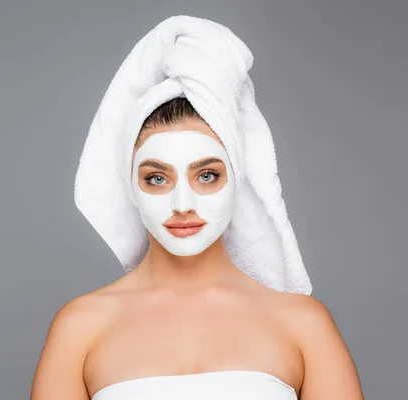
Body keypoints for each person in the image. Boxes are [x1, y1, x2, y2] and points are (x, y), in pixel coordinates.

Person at [30, 97, 364, 399]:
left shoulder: (303, 324)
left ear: (236, 178)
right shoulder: (81, 325)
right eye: (157, 178)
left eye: (206, 175)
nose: (182, 204)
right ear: (131, 184)